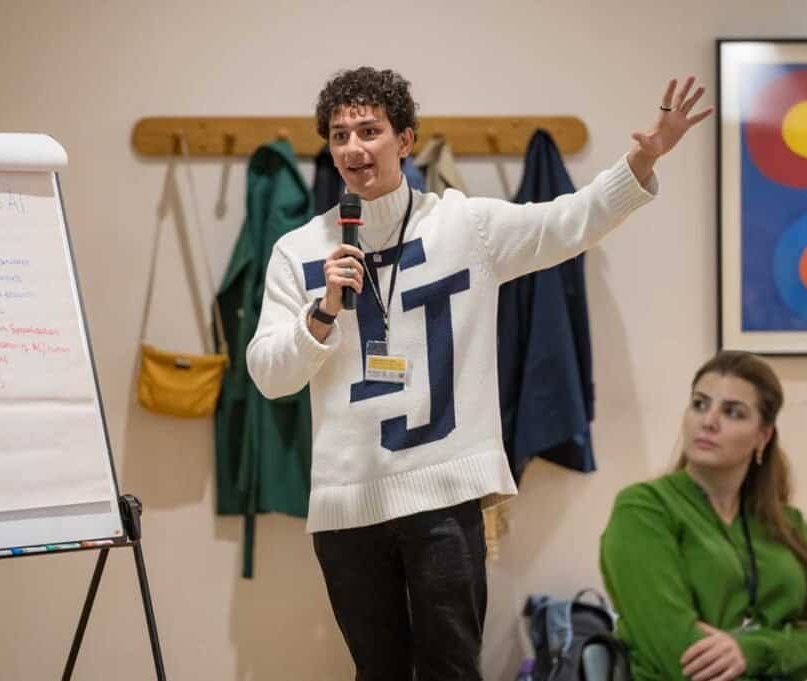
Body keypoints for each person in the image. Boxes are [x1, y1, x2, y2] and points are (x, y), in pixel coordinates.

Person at [246, 65, 710, 680]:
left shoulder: (465, 226)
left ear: (405, 139)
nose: (354, 148)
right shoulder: (301, 250)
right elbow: (269, 375)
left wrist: (642, 163)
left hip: (443, 492)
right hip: (347, 503)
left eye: (369, 130)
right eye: (338, 135)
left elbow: (570, 223)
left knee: (452, 669)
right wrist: (323, 312)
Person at [600, 351, 807, 681]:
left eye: (732, 412)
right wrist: (788, 646)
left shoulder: (788, 524)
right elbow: (680, 654)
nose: (709, 421)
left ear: (763, 435)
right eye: (700, 404)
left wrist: (749, 650)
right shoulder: (644, 510)